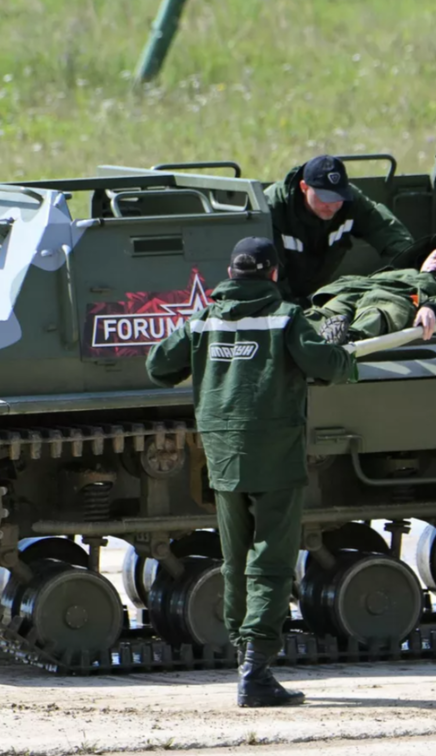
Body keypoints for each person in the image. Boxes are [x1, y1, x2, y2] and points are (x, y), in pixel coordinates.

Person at [145, 237, 356, 707]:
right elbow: (325, 366)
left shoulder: (204, 317)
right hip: (275, 453)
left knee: (235, 558)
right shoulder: (286, 317)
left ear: (232, 273)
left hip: (222, 455)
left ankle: (244, 658)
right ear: (273, 274)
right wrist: (342, 352)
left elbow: (158, 365)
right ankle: (256, 670)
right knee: (273, 561)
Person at [265, 154, 415, 302]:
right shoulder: (273, 210)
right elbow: (267, 276)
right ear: (304, 187)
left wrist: (415, 262)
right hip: (279, 300)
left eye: (338, 197)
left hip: (317, 294)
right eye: (324, 197)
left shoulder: (350, 202)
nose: (331, 205)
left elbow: (384, 228)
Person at [306, 231, 436, 343]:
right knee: (333, 309)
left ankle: (349, 338)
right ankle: (303, 332)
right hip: (360, 291)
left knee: (379, 311)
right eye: (434, 256)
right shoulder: (396, 272)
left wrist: (432, 307)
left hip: (405, 299)